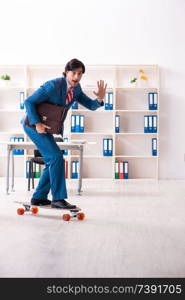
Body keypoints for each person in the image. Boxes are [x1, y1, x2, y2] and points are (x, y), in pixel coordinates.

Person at [21, 58, 107, 209]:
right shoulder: (53, 85)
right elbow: (29, 102)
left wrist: (100, 98)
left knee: (53, 159)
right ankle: (58, 199)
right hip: (32, 124)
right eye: (73, 73)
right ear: (66, 72)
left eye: (80, 74)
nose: (76, 77)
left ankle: (38, 197)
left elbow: (91, 105)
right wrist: (37, 123)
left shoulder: (76, 89)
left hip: (47, 127)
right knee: (55, 157)